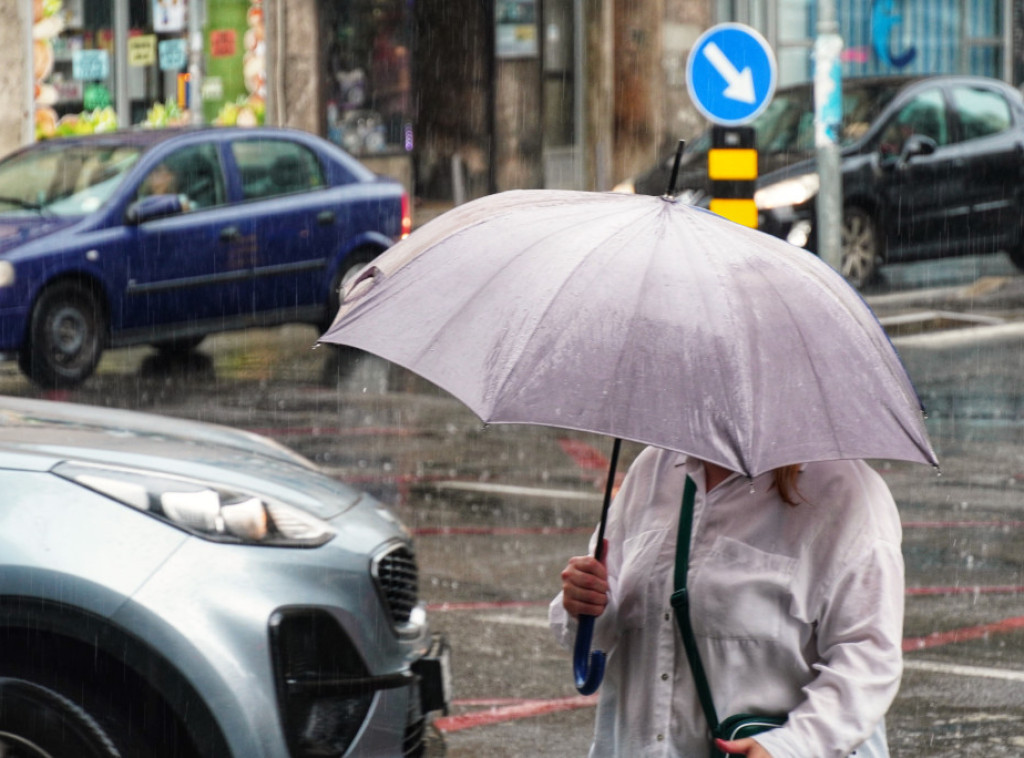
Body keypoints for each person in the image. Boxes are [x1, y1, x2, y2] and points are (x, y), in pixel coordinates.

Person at [550, 447, 904, 757]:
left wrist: (793, 746)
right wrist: (585, 604)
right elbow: (604, 629)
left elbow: (869, 658)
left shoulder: (845, 491)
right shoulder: (653, 469)